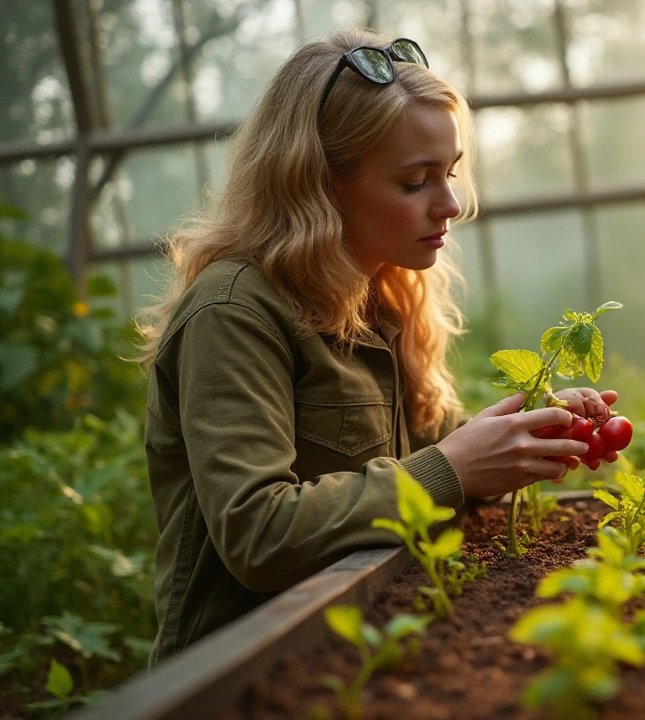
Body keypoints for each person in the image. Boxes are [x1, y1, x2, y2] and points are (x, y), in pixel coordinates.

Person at [136, 28, 615, 664]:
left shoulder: (383, 294)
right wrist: (453, 469)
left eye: (448, 173)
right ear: (319, 184)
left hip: (364, 644)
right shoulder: (234, 313)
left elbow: (436, 455)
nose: (450, 204)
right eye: (415, 182)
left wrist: (523, 435)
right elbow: (258, 535)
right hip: (247, 671)